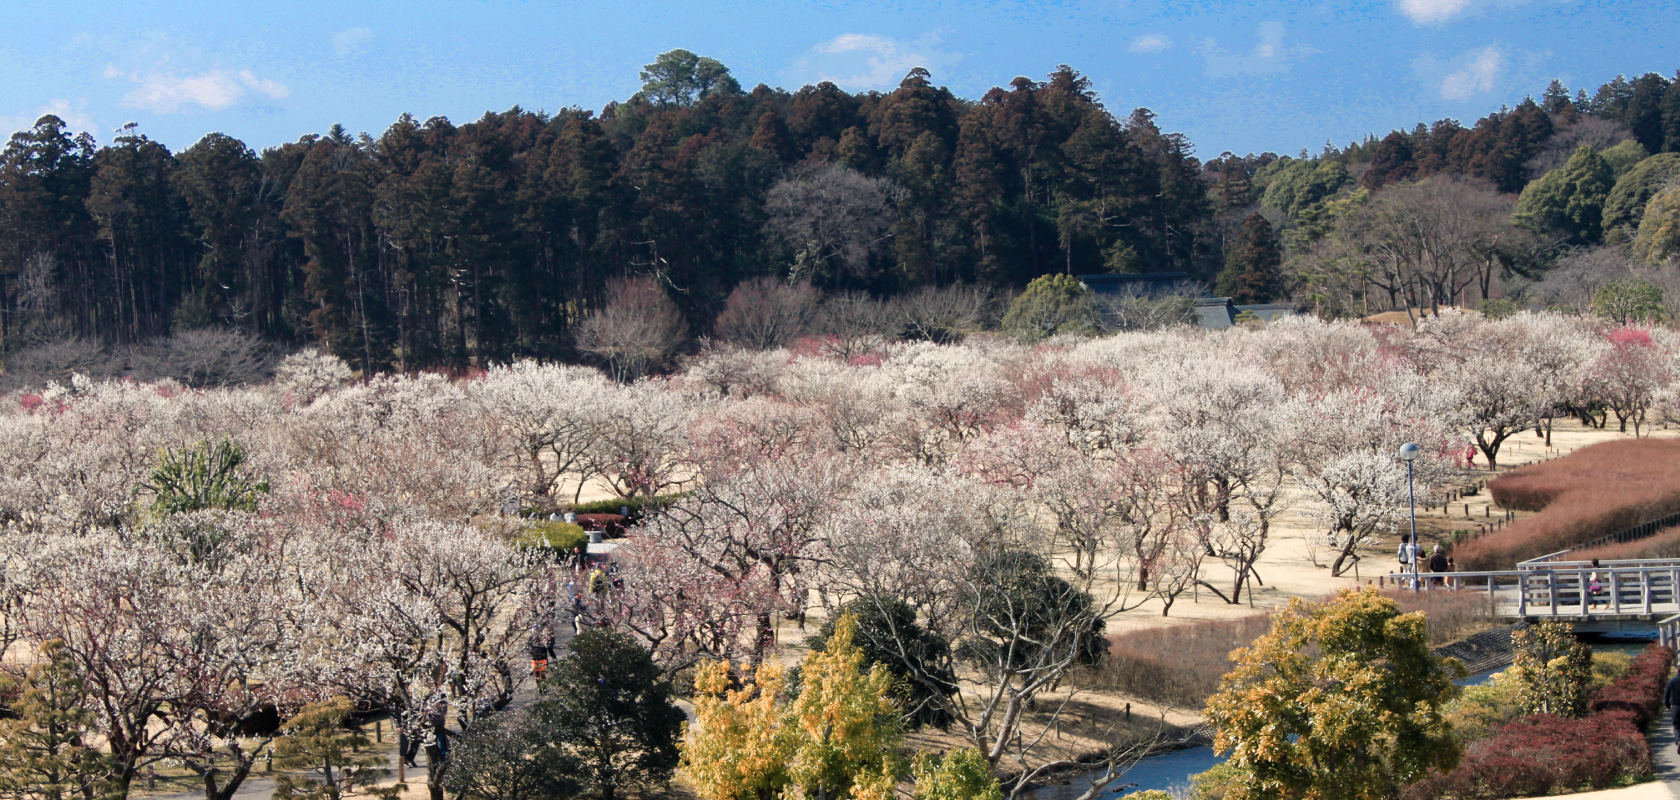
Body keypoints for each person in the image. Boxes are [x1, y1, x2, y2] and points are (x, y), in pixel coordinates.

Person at [1665, 668, 1680, 753]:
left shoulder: (1672, 681)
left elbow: (1667, 693)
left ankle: (1678, 741)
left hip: (1675, 706)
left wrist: (1667, 705)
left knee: (1676, 725)